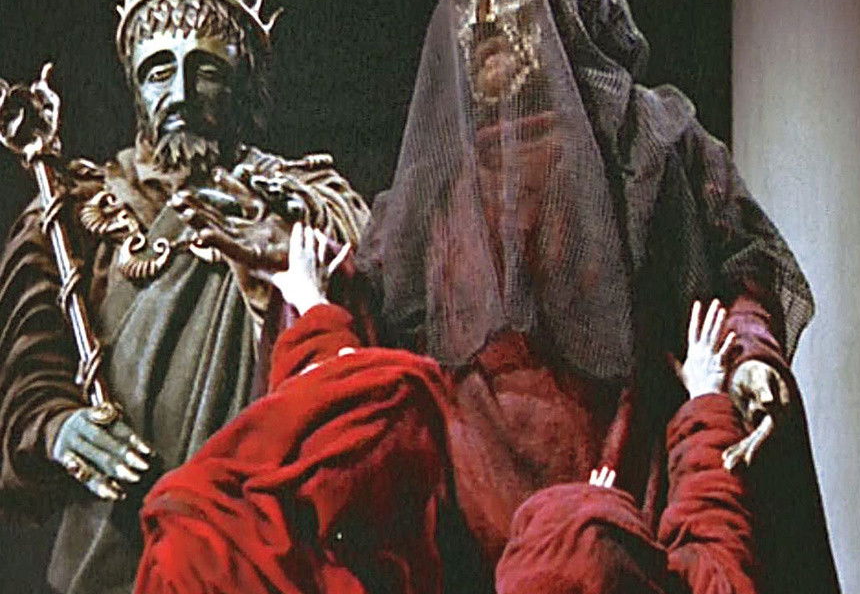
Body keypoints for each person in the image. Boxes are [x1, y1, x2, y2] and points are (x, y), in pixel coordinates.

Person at [355, 0, 838, 594]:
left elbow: (741, 266)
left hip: (631, 465)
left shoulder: (652, 141)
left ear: (568, 4)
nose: (484, 22)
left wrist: (753, 353)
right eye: (466, 4)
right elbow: (369, 317)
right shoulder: (434, 186)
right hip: (473, 495)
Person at [0, 0, 368, 594]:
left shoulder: (302, 195)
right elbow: (29, 367)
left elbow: (351, 285)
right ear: (135, 90)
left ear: (242, 88)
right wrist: (58, 426)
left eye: (206, 70)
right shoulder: (72, 210)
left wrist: (273, 230)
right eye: (157, 71)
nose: (179, 92)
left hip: (253, 537)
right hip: (114, 537)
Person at [135, 224, 758, 594]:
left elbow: (326, 440)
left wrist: (311, 306)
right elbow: (716, 551)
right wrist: (702, 404)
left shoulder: (205, 540)